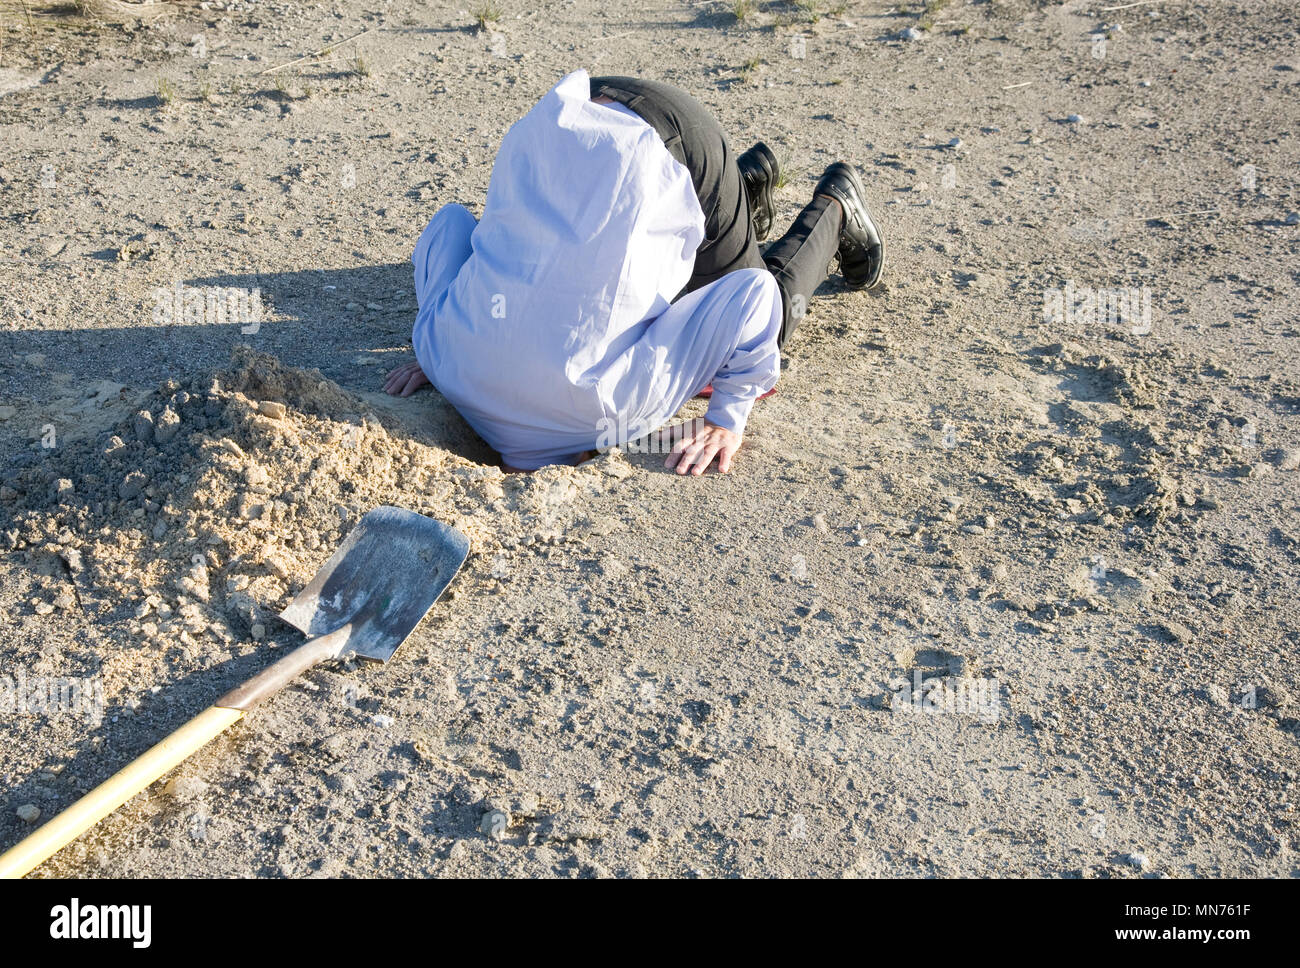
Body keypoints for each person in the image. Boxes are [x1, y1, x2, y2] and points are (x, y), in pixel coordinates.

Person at [384, 70, 884, 475]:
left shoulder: (611, 410)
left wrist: (727, 419)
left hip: (681, 145)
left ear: (585, 456)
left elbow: (752, 296)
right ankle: (735, 193)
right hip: (576, 112)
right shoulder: (438, 350)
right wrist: (444, 345)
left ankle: (835, 206)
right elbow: (448, 224)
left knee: (768, 319)